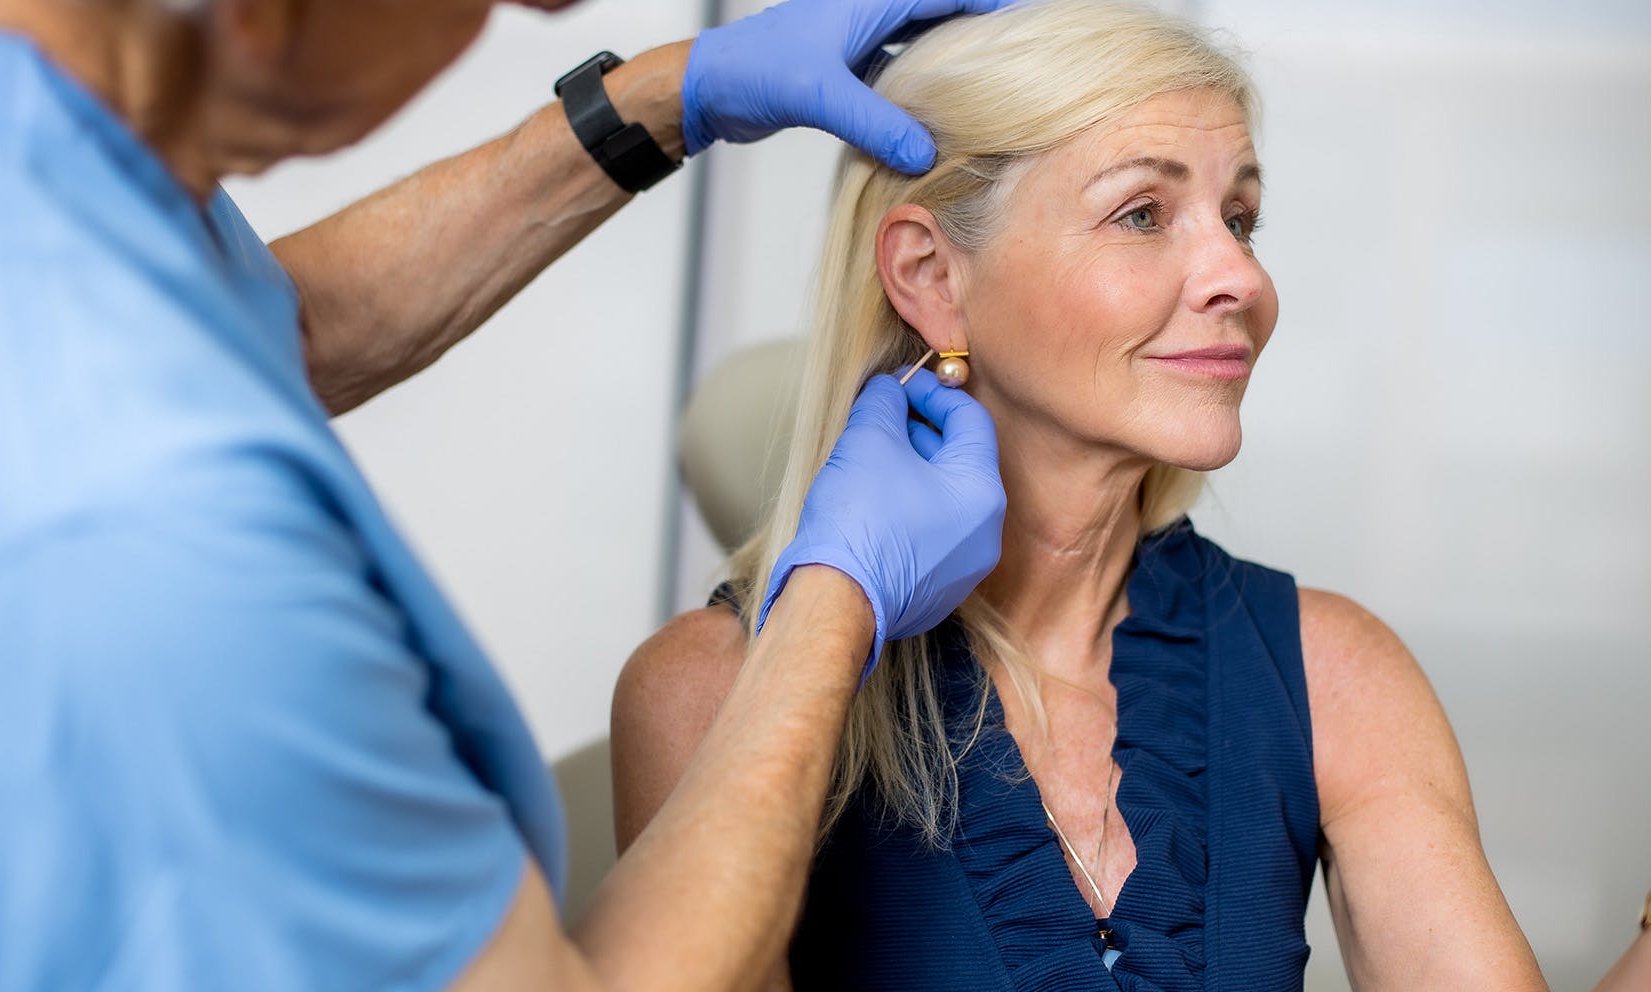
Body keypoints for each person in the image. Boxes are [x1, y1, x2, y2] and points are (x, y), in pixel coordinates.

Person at [0, 0, 1010, 989]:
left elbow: (276, 323)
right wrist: (831, 600)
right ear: (253, 17)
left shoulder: (34, 132)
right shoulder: (141, 548)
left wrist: (662, 100)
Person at [611, 2, 1555, 989]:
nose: (1240, 273)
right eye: (1141, 212)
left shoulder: (1336, 676)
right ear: (932, 275)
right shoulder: (703, 693)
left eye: (1239, 217)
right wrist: (832, 613)